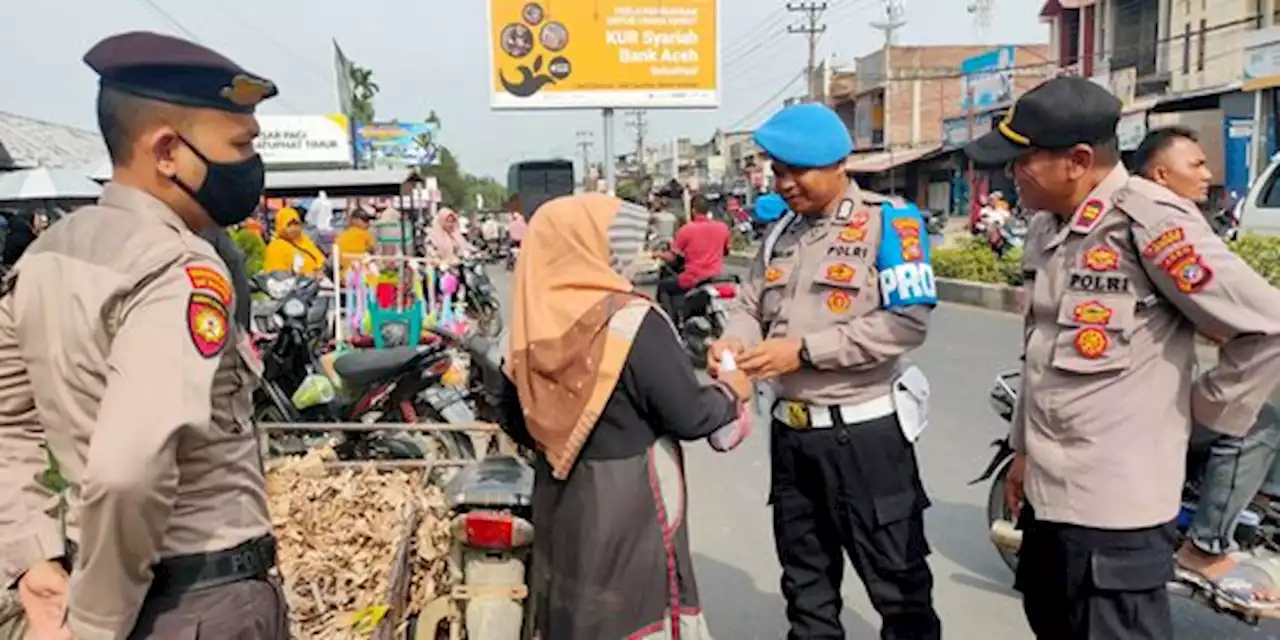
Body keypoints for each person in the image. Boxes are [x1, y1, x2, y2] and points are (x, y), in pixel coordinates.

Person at [963, 76, 1280, 638]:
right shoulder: (1046, 227)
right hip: (1047, 500)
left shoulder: (1151, 223)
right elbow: (1041, 354)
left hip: (1117, 515)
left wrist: (1201, 414)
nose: (1011, 174)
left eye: (1023, 161)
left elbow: (1267, 327)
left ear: (1077, 160)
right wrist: (1021, 451)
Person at [0, 30, 288, 639]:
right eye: (239, 145)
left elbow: (11, 425)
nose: (250, 166)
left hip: (96, 584)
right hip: (198, 605)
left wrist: (34, 558)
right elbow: (130, 469)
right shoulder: (177, 270)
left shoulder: (44, 258)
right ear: (166, 152)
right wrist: (97, 626)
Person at [711, 102, 942, 639]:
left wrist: (804, 352)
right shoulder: (778, 234)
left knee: (899, 589)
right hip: (792, 437)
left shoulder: (890, 224)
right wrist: (733, 340)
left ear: (840, 164)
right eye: (778, 171)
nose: (786, 183)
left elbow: (907, 325)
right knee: (806, 589)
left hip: (864, 436)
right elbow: (749, 306)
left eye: (799, 171)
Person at [498, 193, 752, 640]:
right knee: (640, 605)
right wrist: (731, 393)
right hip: (632, 495)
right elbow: (690, 415)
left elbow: (514, 421)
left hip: (561, 497)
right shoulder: (632, 321)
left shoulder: (527, 325)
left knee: (574, 608)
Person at [1132, 125, 1280, 602]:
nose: (1209, 173)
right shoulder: (1165, 222)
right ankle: (1204, 544)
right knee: (1258, 420)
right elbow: (1239, 299)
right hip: (1144, 391)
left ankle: (1257, 501)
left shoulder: (1181, 217)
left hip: (1173, 373)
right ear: (1161, 173)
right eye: (1196, 165)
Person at [656, 194, 731, 322]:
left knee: (663, 287)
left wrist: (657, 254)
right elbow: (726, 251)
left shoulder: (686, 230)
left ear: (693, 210)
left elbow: (672, 258)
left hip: (693, 278)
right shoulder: (722, 228)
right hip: (716, 277)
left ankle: (673, 323)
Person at [262, 206, 325, 275]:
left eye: (296, 224)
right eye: (289, 225)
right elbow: (276, 275)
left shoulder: (304, 240)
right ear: (281, 226)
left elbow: (320, 260)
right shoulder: (276, 247)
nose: (294, 228)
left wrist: (319, 271)